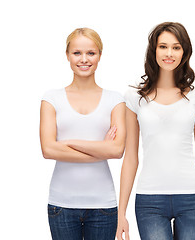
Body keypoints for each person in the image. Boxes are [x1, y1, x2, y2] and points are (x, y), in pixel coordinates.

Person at [116, 22, 195, 240]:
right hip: (149, 200)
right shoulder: (134, 97)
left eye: (176, 47)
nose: (169, 53)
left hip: (194, 198)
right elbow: (130, 158)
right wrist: (121, 212)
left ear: (184, 52)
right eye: (163, 47)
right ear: (153, 50)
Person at [40, 27, 126, 240]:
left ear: (99, 55)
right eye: (77, 53)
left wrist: (67, 143)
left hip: (103, 206)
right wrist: (100, 149)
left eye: (91, 53)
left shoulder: (115, 100)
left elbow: (116, 150)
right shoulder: (51, 99)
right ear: (67, 55)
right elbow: (48, 149)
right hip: (62, 205)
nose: (84, 59)